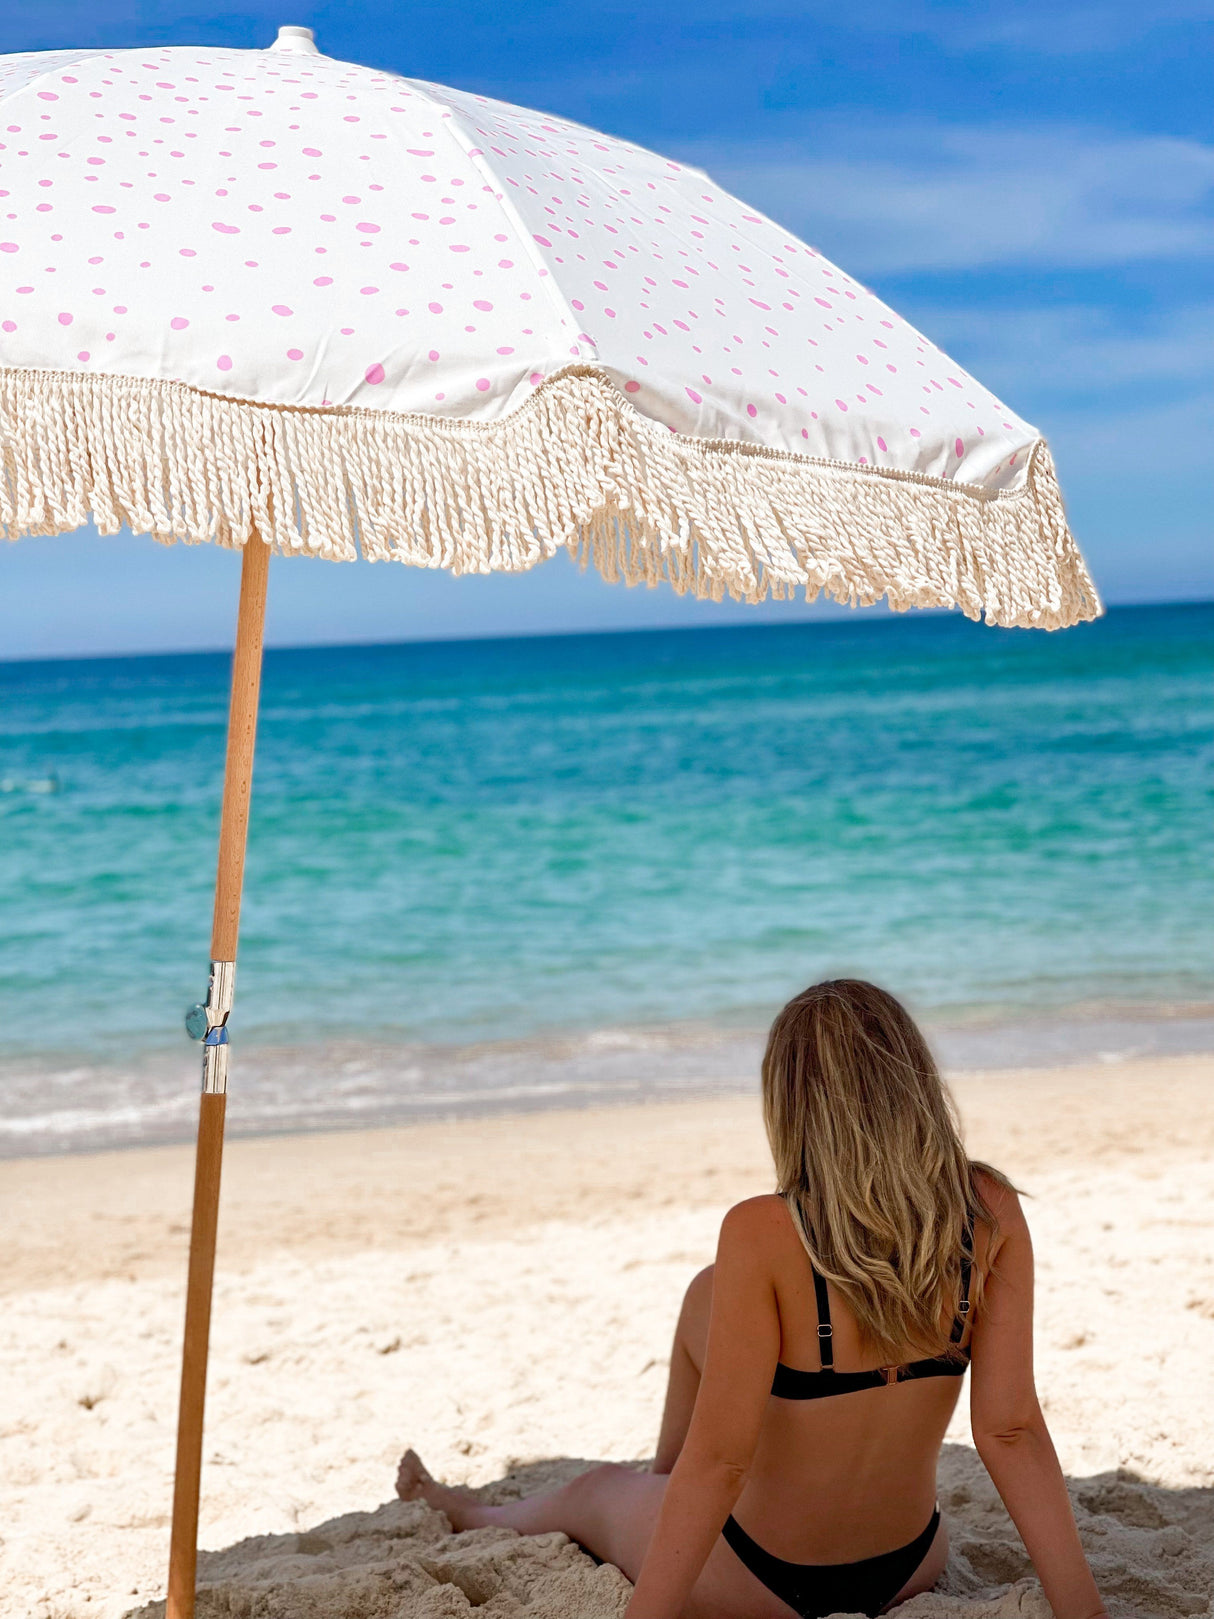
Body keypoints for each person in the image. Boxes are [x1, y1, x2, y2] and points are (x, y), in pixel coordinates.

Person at [396, 979, 1109, 1619]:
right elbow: (1010, 1431)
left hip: (759, 1579)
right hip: (910, 1565)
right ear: (914, 1083)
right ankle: (657, 1484)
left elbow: (723, 1463)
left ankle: (476, 1507)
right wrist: (1086, 1612)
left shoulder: (762, 1230)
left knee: (592, 1491)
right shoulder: (990, 1210)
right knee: (705, 1297)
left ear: (791, 1103)